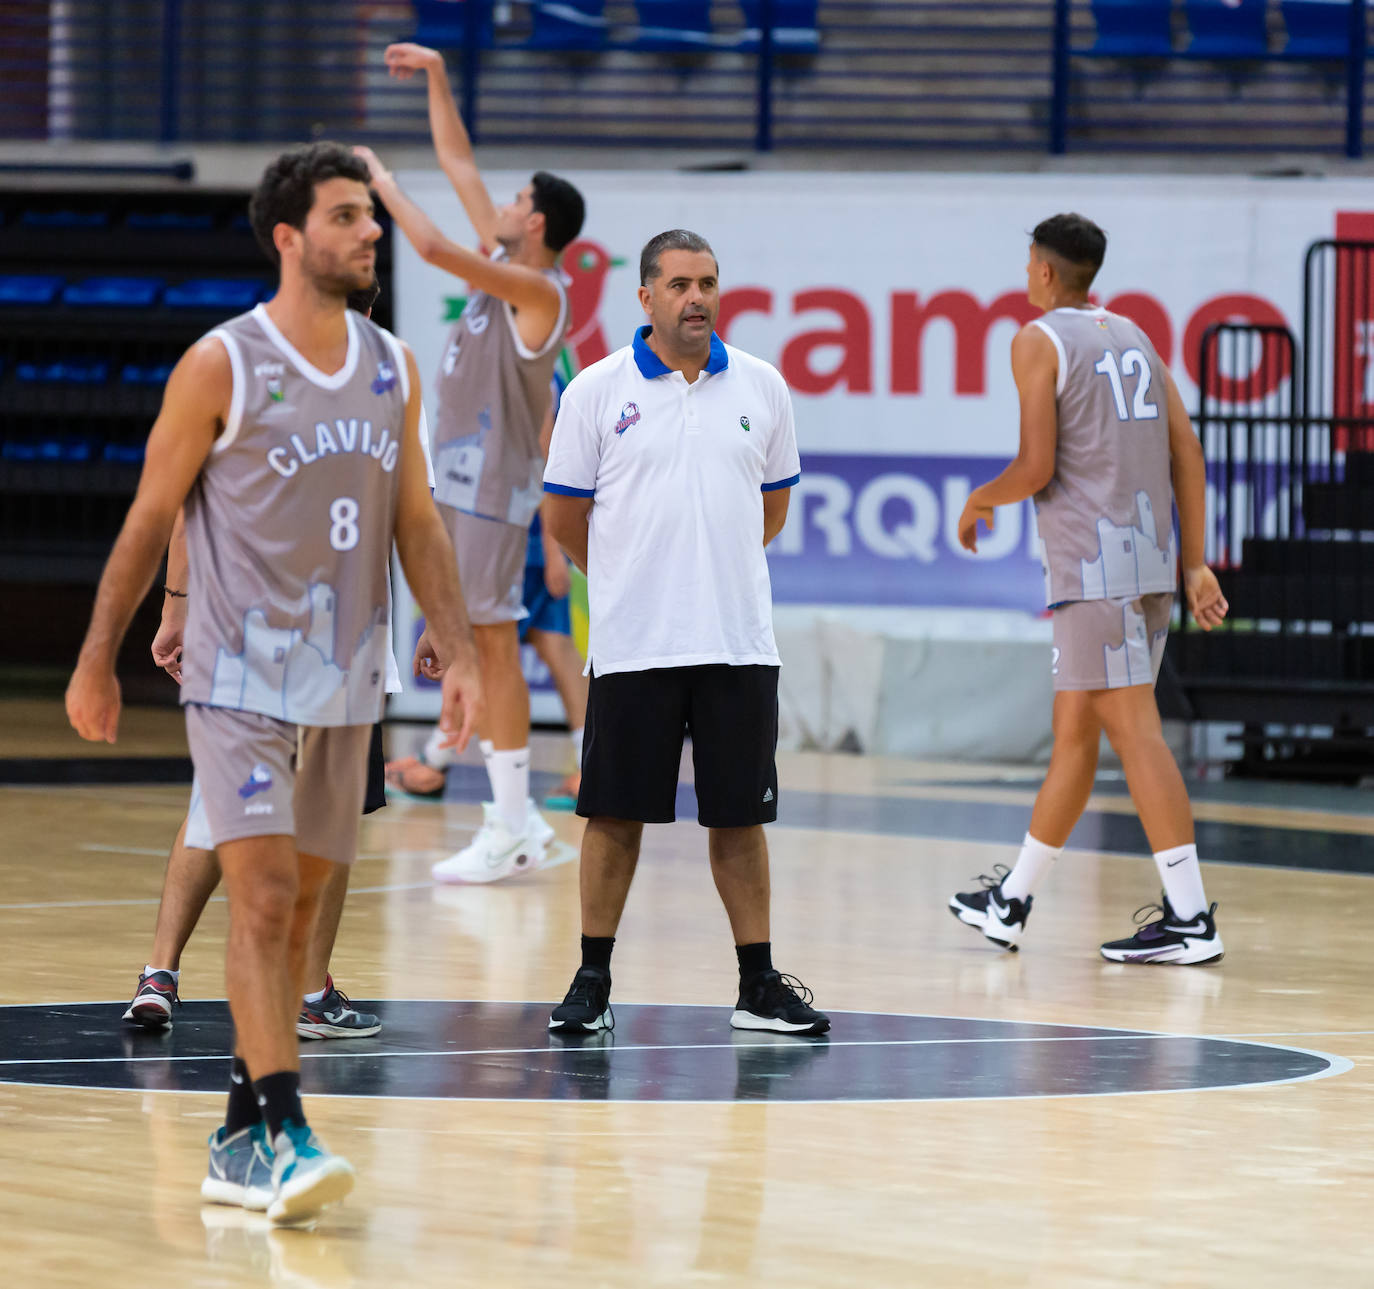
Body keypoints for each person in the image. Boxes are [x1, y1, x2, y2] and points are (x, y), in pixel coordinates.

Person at [66, 142, 482, 1225]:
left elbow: (417, 518)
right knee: (260, 897)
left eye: (372, 217)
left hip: (350, 673)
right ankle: (285, 1128)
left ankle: (238, 1130)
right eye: (349, 216)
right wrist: (97, 656)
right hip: (240, 667)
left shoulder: (394, 363)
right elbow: (151, 518)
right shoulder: (224, 363)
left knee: (298, 920)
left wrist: (462, 643)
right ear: (290, 237)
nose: (372, 233)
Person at [540, 228, 829, 1036]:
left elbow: (769, 510)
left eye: (706, 282)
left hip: (739, 642)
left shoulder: (763, 387)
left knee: (740, 819)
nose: (696, 297)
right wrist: (633, 575)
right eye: (678, 284)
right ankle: (592, 979)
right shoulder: (595, 391)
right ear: (645, 297)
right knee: (613, 816)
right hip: (636, 643)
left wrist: (709, 569)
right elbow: (564, 516)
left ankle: (758, 983)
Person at [122, 278, 410, 1041]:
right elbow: (190, 503)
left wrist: (176, 605)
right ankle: (236, 980)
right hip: (283, 635)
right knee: (268, 808)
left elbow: (411, 517)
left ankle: (212, 978)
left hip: (321, 638)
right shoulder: (263, 371)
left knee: (279, 812)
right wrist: (177, 603)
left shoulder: (373, 377)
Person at [948, 212, 1229, 965]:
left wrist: (980, 499)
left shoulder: (1036, 340)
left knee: (1135, 731)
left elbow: (1036, 466)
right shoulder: (1134, 333)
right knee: (1074, 733)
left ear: (1041, 269)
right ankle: (1012, 901)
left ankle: (1192, 916)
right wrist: (1195, 562)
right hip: (1148, 561)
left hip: (1092, 565)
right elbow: (1188, 452)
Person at [357, 40, 586, 884]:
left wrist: (378, 180)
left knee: (494, 649)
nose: (503, 196)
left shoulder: (541, 291)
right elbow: (457, 158)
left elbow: (433, 251)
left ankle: (515, 821)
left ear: (536, 225)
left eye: (518, 196)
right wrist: (439, 76)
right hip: (456, 485)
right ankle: (510, 815)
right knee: (464, 648)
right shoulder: (506, 273)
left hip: (493, 497)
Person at [385, 386, 588, 812]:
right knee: (554, 649)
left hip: (515, 545)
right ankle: (592, 763)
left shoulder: (526, 363)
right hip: (515, 540)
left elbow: (548, 462)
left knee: (480, 654)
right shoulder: (515, 360)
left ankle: (436, 763)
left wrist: (553, 553)